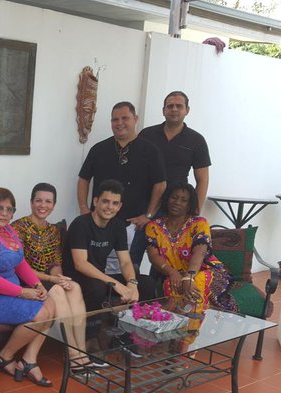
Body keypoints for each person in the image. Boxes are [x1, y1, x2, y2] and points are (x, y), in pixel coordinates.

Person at [0, 188, 98, 386]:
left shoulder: (8, 231)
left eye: (9, 209)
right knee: (42, 314)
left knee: (50, 304)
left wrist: (37, 284)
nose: (5, 213)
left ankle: (27, 360)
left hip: (8, 292)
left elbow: (20, 263)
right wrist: (23, 292)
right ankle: (5, 356)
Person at [77, 101, 166, 267]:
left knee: (129, 269)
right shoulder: (99, 149)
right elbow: (83, 178)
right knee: (94, 268)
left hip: (134, 225)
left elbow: (160, 184)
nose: (119, 123)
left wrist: (148, 215)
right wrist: (83, 208)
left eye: (125, 118)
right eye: (115, 119)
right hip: (99, 223)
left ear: (135, 119)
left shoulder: (150, 150)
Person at [64, 179, 154, 312]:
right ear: (96, 201)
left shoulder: (118, 226)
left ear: (119, 206)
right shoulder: (80, 224)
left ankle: (133, 322)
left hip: (100, 277)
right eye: (105, 201)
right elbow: (80, 264)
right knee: (97, 288)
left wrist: (132, 283)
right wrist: (115, 284)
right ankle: (92, 325)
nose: (110, 207)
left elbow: (125, 262)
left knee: (146, 283)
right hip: (77, 279)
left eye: (115, 203)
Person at [146, 183, 237, 314]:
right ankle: (180, 322)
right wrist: (172, 273)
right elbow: (153, 256)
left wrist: (189, 277)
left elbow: (199, 253)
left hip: (207, 271)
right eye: (174, 197)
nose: (177, 202)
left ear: (189, 205)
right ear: (167, 199)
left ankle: (194, 323)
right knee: (170, 285)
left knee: (197, 283)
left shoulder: (199, 223)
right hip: (177, 273)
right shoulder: (154, 226)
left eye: (184, 200)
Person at [139, 91, 211, 213]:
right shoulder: (146, 135)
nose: (174, 109)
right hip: (144, 203)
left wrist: (194, 212)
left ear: (187, 110)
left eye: (179, 106)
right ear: (163, 110)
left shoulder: (196, 140)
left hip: (177, 206)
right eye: (170, 106)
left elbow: (202, 180)